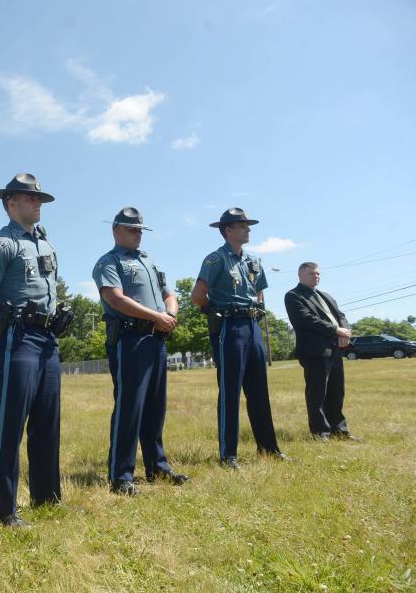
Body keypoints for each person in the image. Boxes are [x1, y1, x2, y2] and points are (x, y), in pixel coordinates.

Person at [0, 173, 68, 527]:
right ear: (11, 203)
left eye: (39, 198)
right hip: (18, 338)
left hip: (47, 340)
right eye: (30, 198)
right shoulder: (1, 244)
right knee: (11, 421)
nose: (37, 203)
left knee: (47, 420)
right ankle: (3, 506)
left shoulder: (45, 243)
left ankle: (47, 496)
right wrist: (1, 330)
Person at [93, 208, 189, 496]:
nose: (138, 235)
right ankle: (121, 475)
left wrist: (169, 314)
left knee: (155, 406)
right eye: (132, 230)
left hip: (156, 339)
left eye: (140, 230)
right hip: (130, 339)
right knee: (129, 407)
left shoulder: (148, 262)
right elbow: (115, 299)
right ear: (116, 230)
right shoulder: (109, 262)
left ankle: (157, 466)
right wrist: (155, 317)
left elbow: (168, 293)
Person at [191, 208, 289, 469]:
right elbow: (197, 296)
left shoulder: (254, 261)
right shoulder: (216, 260)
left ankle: (268, 447)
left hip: (252, 327)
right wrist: (218, 312)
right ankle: (229, 454)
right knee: (230, 391)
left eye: (248, 225)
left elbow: (259, 293)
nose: (248, 229)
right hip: (228, 328)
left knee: (259, 390)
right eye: (242, 225)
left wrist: (253, 312)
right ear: (228, 230)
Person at [284, 262, 359, 441]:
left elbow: (341, 316)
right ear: (300, 275)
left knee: (336, 392)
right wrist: (335, 330)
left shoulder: (325, 296)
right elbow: (305, 319)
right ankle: (320, 432)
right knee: (317, 393)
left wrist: (345, 332)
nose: (316, 276)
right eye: (311, 273)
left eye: (317, 274)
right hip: (314, 351)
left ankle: (339, 431)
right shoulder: (294, 296)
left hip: (334, 349)